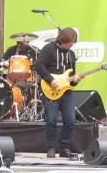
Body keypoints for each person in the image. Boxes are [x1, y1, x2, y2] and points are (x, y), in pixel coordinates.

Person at [35, 27, 84, 158]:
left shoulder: (71, 54)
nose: (72, 44)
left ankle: (64, 148)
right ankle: (51, 148)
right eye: (70, 41)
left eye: (74, 41)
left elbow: (71, 77)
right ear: (63, 40)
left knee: (70, 120)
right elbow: (39, 65)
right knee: (51, 120)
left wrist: (76, 80)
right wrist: (51, 80)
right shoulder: (48, 49)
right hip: (50, 90)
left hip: (66, 92)